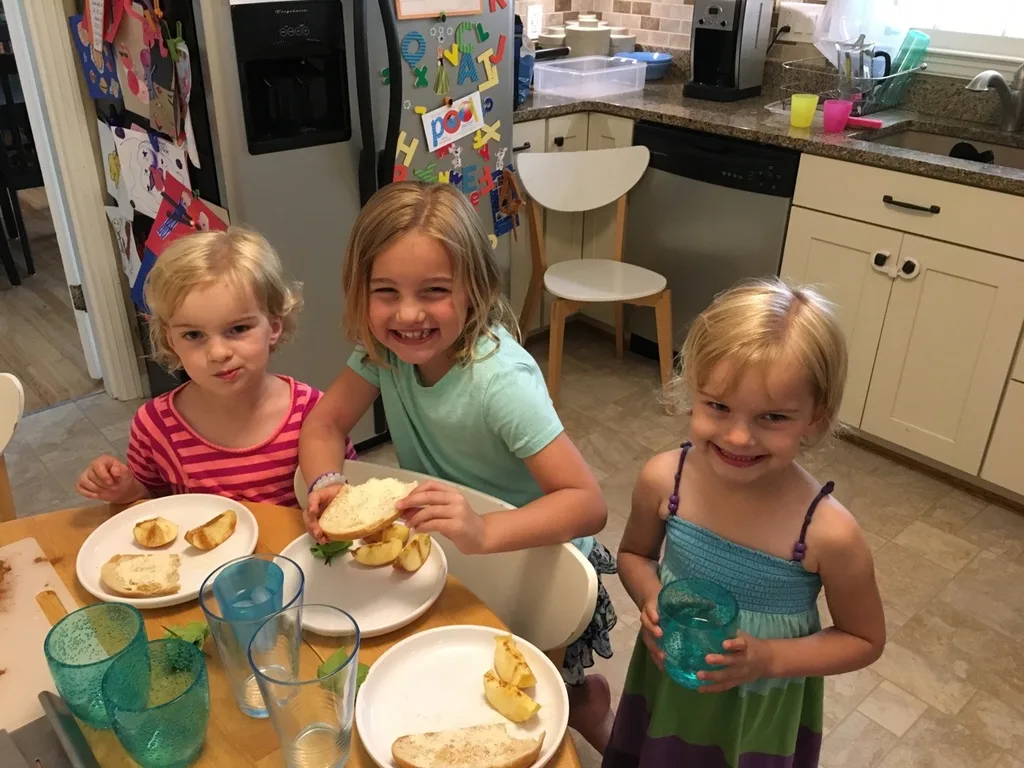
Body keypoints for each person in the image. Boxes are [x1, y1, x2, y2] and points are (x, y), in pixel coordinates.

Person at [299, 182, 616, 751]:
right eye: (386, 292)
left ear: (476, 290)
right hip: (460, 553)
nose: (409, 314)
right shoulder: (382, 353)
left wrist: (484, 529)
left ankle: (589, 702)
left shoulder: (500, 383)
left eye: (435, 291)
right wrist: (326, 482)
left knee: (530, 709)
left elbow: (587, 504)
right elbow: (324, 425)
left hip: (536, 562)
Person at [604, 280, 886, 768]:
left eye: (773, 416)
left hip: (758, 714)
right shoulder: (663, 479)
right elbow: (633, 555)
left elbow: (864, 640)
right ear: (691, 391)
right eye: (718, 406)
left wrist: (769, 659)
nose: (739, 436)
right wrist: (652, 600)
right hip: (670, 686)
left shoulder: (827, 534)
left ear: (815, 419)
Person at [77, 227, 356, 508]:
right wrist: (126, 491)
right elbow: (152, 505)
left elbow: (349, 492)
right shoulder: (155, 426)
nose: (218, 353)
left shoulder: (315, 413)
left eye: (237, 328)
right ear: (169, 339)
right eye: (194, 335)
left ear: (273, 326)